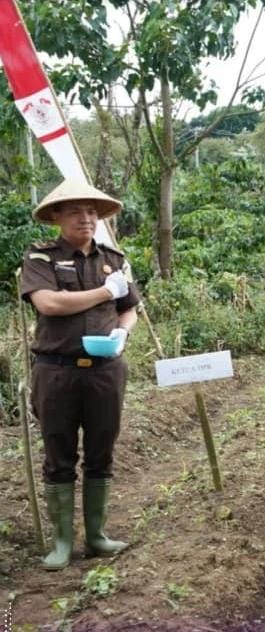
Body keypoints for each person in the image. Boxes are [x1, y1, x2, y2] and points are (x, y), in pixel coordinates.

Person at [19, 179, 139, 570]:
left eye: (91, 211)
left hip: (106, 370)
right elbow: (50, 303)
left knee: (102, 450)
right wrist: (105, 292)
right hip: (56, 370)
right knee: (59, 453)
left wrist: (123, 330)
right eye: (74, 211)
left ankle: (97, 535)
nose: (85, 218)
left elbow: (129, 307)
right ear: (56, 216)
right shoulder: (41, 258)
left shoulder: (114, 258)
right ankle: (62, 542)